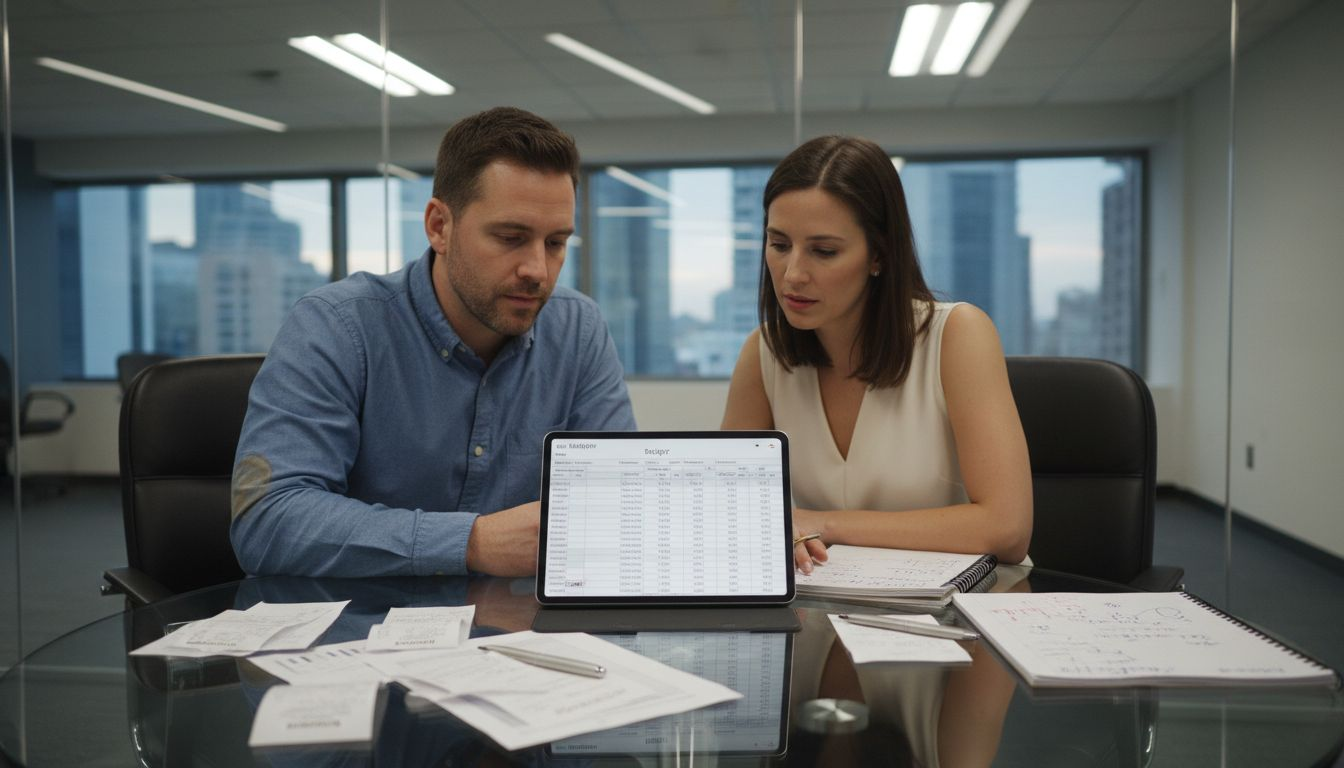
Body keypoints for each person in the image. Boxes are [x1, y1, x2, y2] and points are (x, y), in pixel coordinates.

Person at [231, 107, 636, 579]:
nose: (537, 271)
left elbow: (615, 507)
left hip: (521, 638)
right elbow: (266, 521)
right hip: (362, 636)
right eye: (510, 237)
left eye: (555, 243)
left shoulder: (577, 329)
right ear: (439, 226)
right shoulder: (339, 326)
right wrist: (472, 542)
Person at [721, 135, 1032, 573]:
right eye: (779, 244)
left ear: (878, 256)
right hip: (825, 611)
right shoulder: (764, 352)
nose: (793, 274)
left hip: (961, 613)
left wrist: (822, 523)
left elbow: (1007, 529)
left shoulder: (959, 334)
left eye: (824, 251)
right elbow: (731, 515)